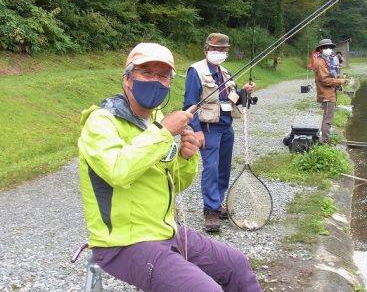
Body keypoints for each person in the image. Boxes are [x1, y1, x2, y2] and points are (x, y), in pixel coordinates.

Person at [78, 42, 262, 292]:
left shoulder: (154, 120)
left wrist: (186, 158)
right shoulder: (101, 122)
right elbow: (117, 171)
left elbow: (176, 184)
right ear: (127, 79)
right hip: (122, 243)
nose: (155, 81)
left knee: (236, 265)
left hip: (166, 231)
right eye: (146, 73)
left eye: (163, 76)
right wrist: (163, 132)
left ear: (169, 83)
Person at [183, 33, 255, 232]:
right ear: (206, 50)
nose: (219, 53)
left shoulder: (225, 72)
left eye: (223, 50)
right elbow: (189, 104)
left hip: (226, 126)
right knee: (211, 169)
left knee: (223, 168)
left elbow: (233, 99)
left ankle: (218, 201)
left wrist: (245, 92)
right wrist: (196, 131)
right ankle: (210, 210)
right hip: (208, 128)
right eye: (215, 49)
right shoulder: (195, 71)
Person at [311, 39, 348, 144]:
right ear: (321, 49)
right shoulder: (320, 62)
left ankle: (325, 138)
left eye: (330, 47)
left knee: (328, 117)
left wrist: (339, 84)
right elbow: (325, 80)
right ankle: (325, 141)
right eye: (326, 47)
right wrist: (340, 81)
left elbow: (331, 76)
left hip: (330, 93)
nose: (328, 49)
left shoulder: (325, 60)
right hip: (326, 94)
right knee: (328, 118)